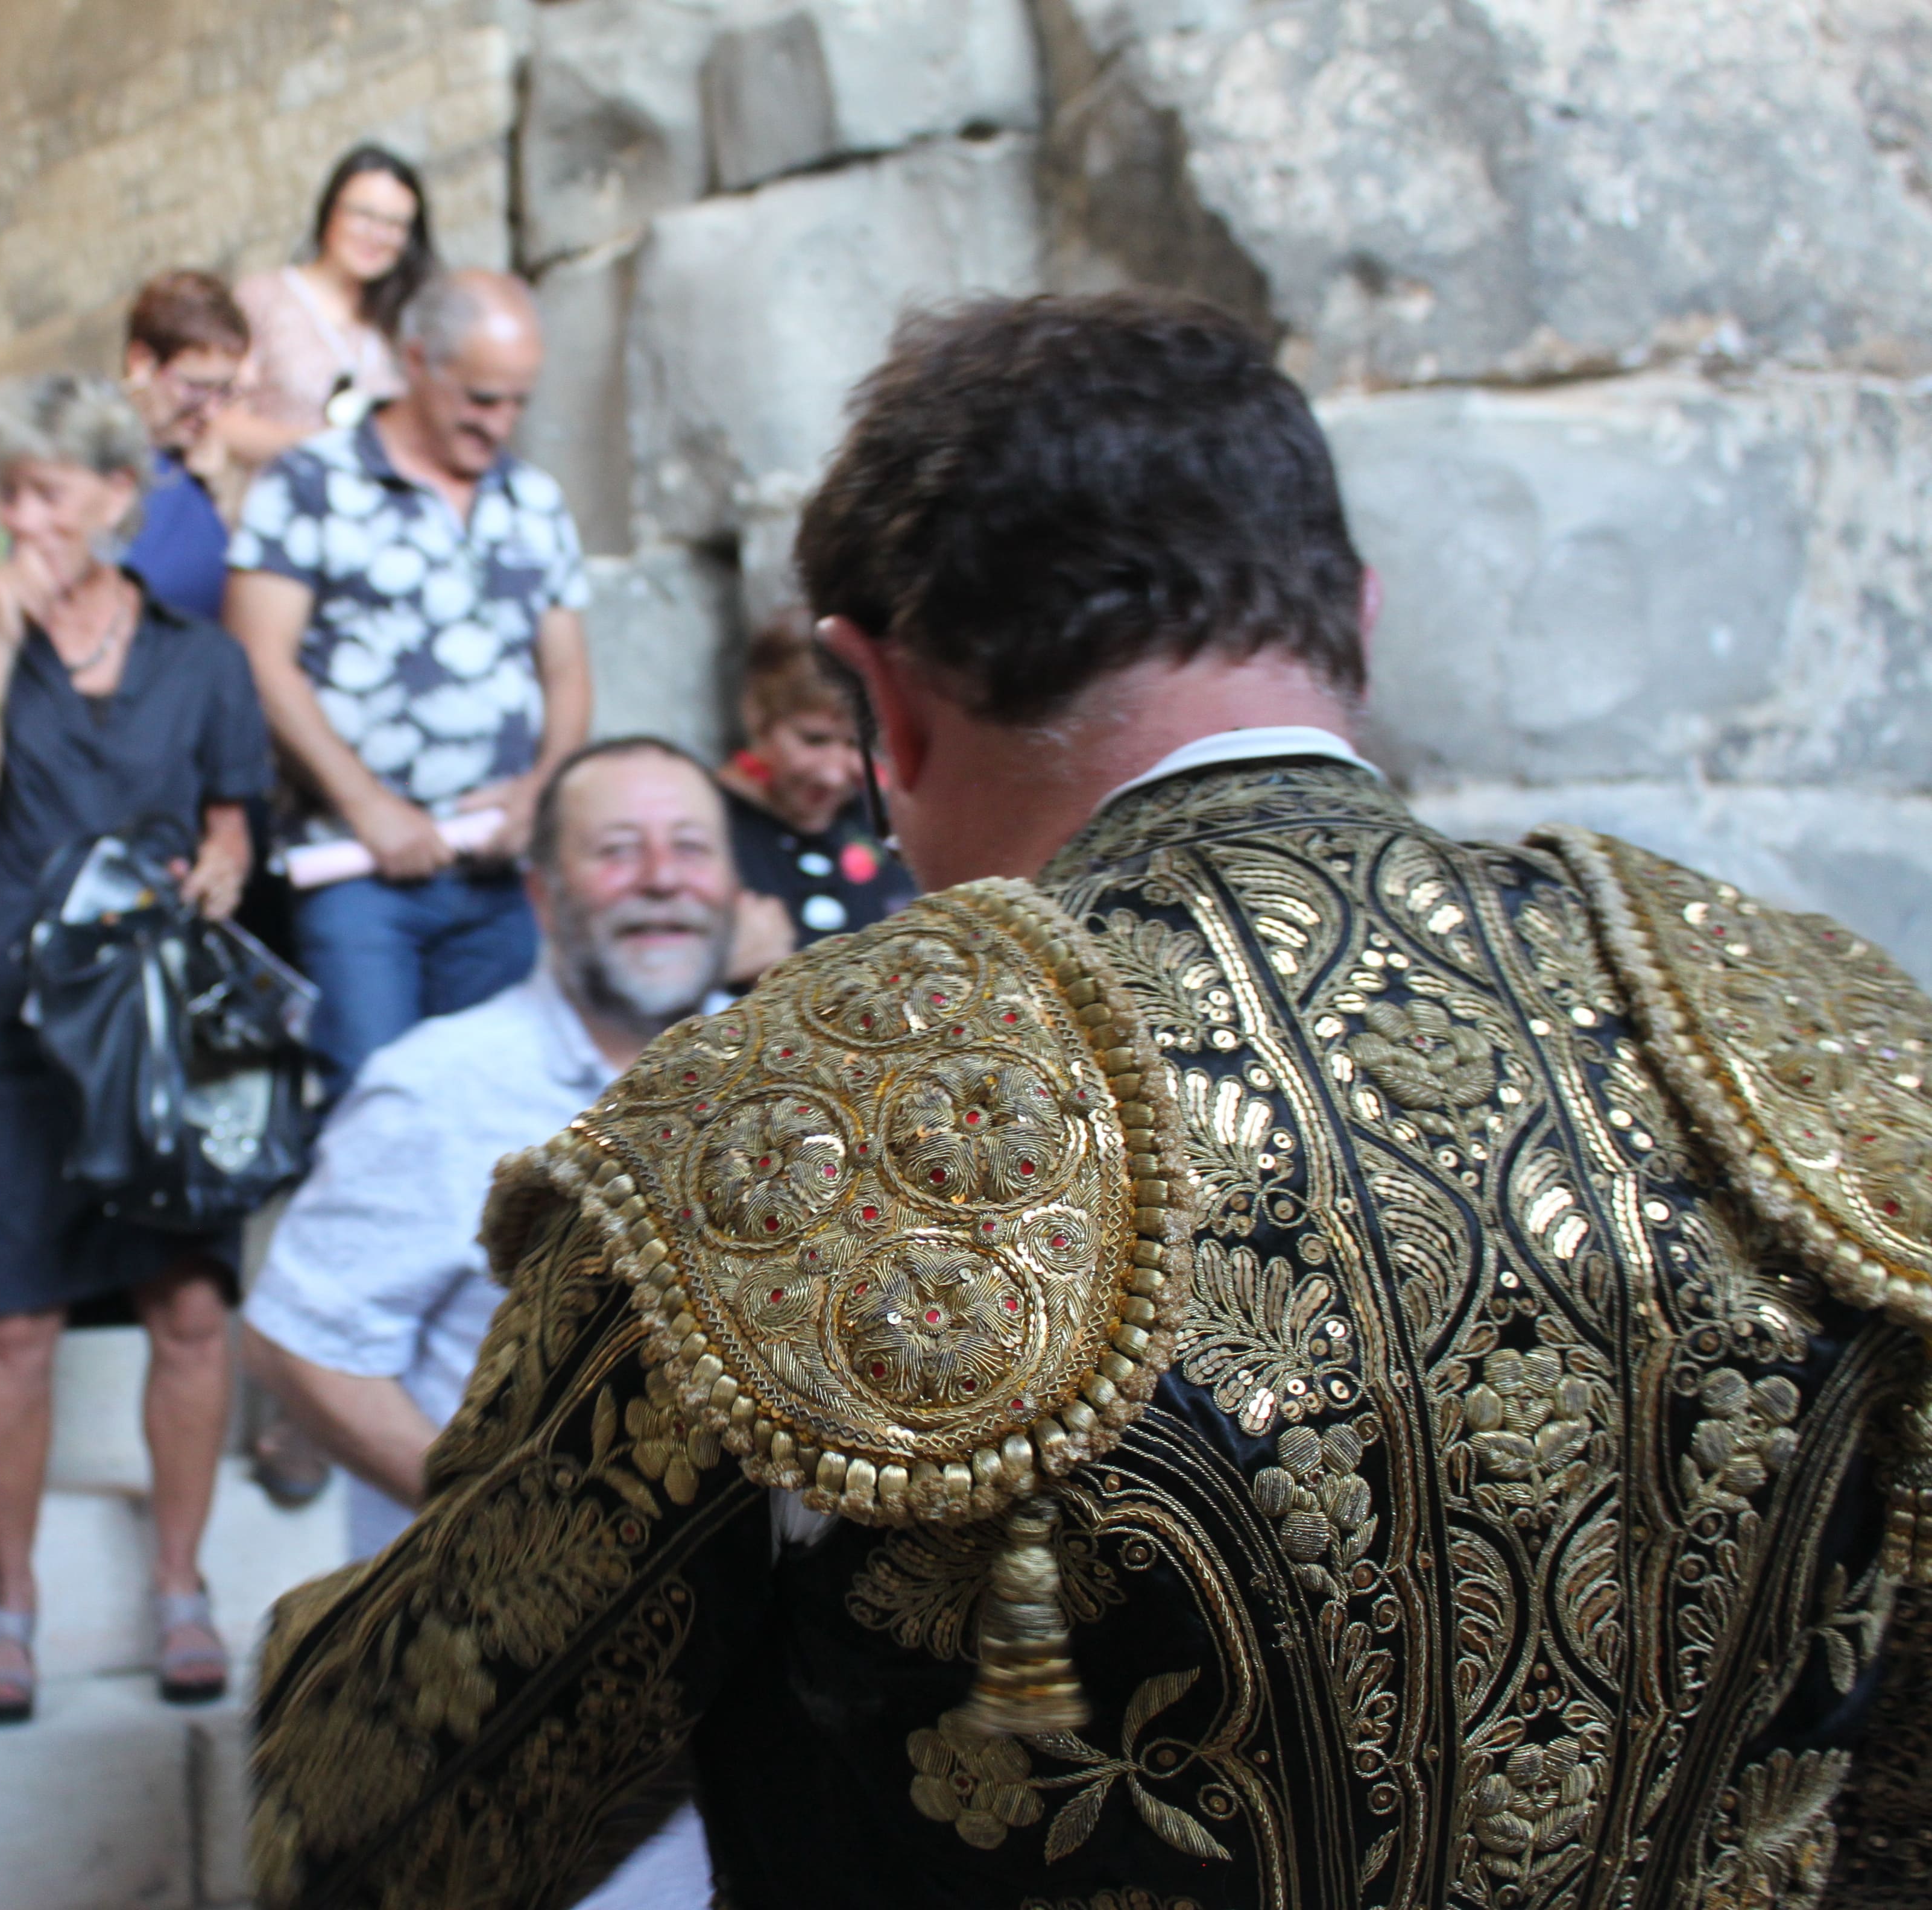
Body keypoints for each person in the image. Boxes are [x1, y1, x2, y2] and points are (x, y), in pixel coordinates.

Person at [247, 292, 1932, 1909]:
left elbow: (399, 1808)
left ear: (881, 697)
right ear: (1357, 613)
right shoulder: (1807, 1029)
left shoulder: (797, 1123)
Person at [244, 736, 738, 1908]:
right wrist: (513, 1528)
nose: (661, 877)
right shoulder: (442, 1087)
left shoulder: (774, 1075)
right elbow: (298, 1342)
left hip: (731, 1686)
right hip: (492, 1692)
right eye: (616, 853)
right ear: (541, 893)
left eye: (691, 849)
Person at [0, 371, 271, 1722]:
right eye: (4, 493)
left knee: (185, 1304)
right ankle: (9, 1602)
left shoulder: (204, 658)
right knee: (11, 1323)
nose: (19, 517)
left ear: (117, 496)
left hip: (158, 1020)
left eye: (44, 491)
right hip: (3, 1019)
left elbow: (232, 818)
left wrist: (225, 863)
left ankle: (180, 1586)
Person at [224, 268, 592, 1089]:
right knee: (374, 1107)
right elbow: (255, 656)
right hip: (356, 875)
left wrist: (539, 790)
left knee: (502, 1118)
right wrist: (366, 805)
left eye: (516, 402)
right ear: (418, 360)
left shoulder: (533, 500)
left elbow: (566, 673)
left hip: (498, 882)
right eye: (479, 398)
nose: (498, 424)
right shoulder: (310, 481)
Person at [718, 612, 917, 985]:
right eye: (814, 740)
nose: (834, 774)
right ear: (757, 715)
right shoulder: (704, 828)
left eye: (856, 745)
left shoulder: (894, 821)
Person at [218, 145, 431, 478]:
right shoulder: (263, 298)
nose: (377, 235)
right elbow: (223, 424)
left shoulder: (407, 319)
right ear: (330, 212)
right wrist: (330, 446)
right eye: (364, 216)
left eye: (395, 224)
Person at [121, 268, 250, 625]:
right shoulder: (93, 461)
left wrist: (220, 492)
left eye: (224, 390)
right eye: (196, 388)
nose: (212, 411)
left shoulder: (202, 458)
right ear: (141, 363)